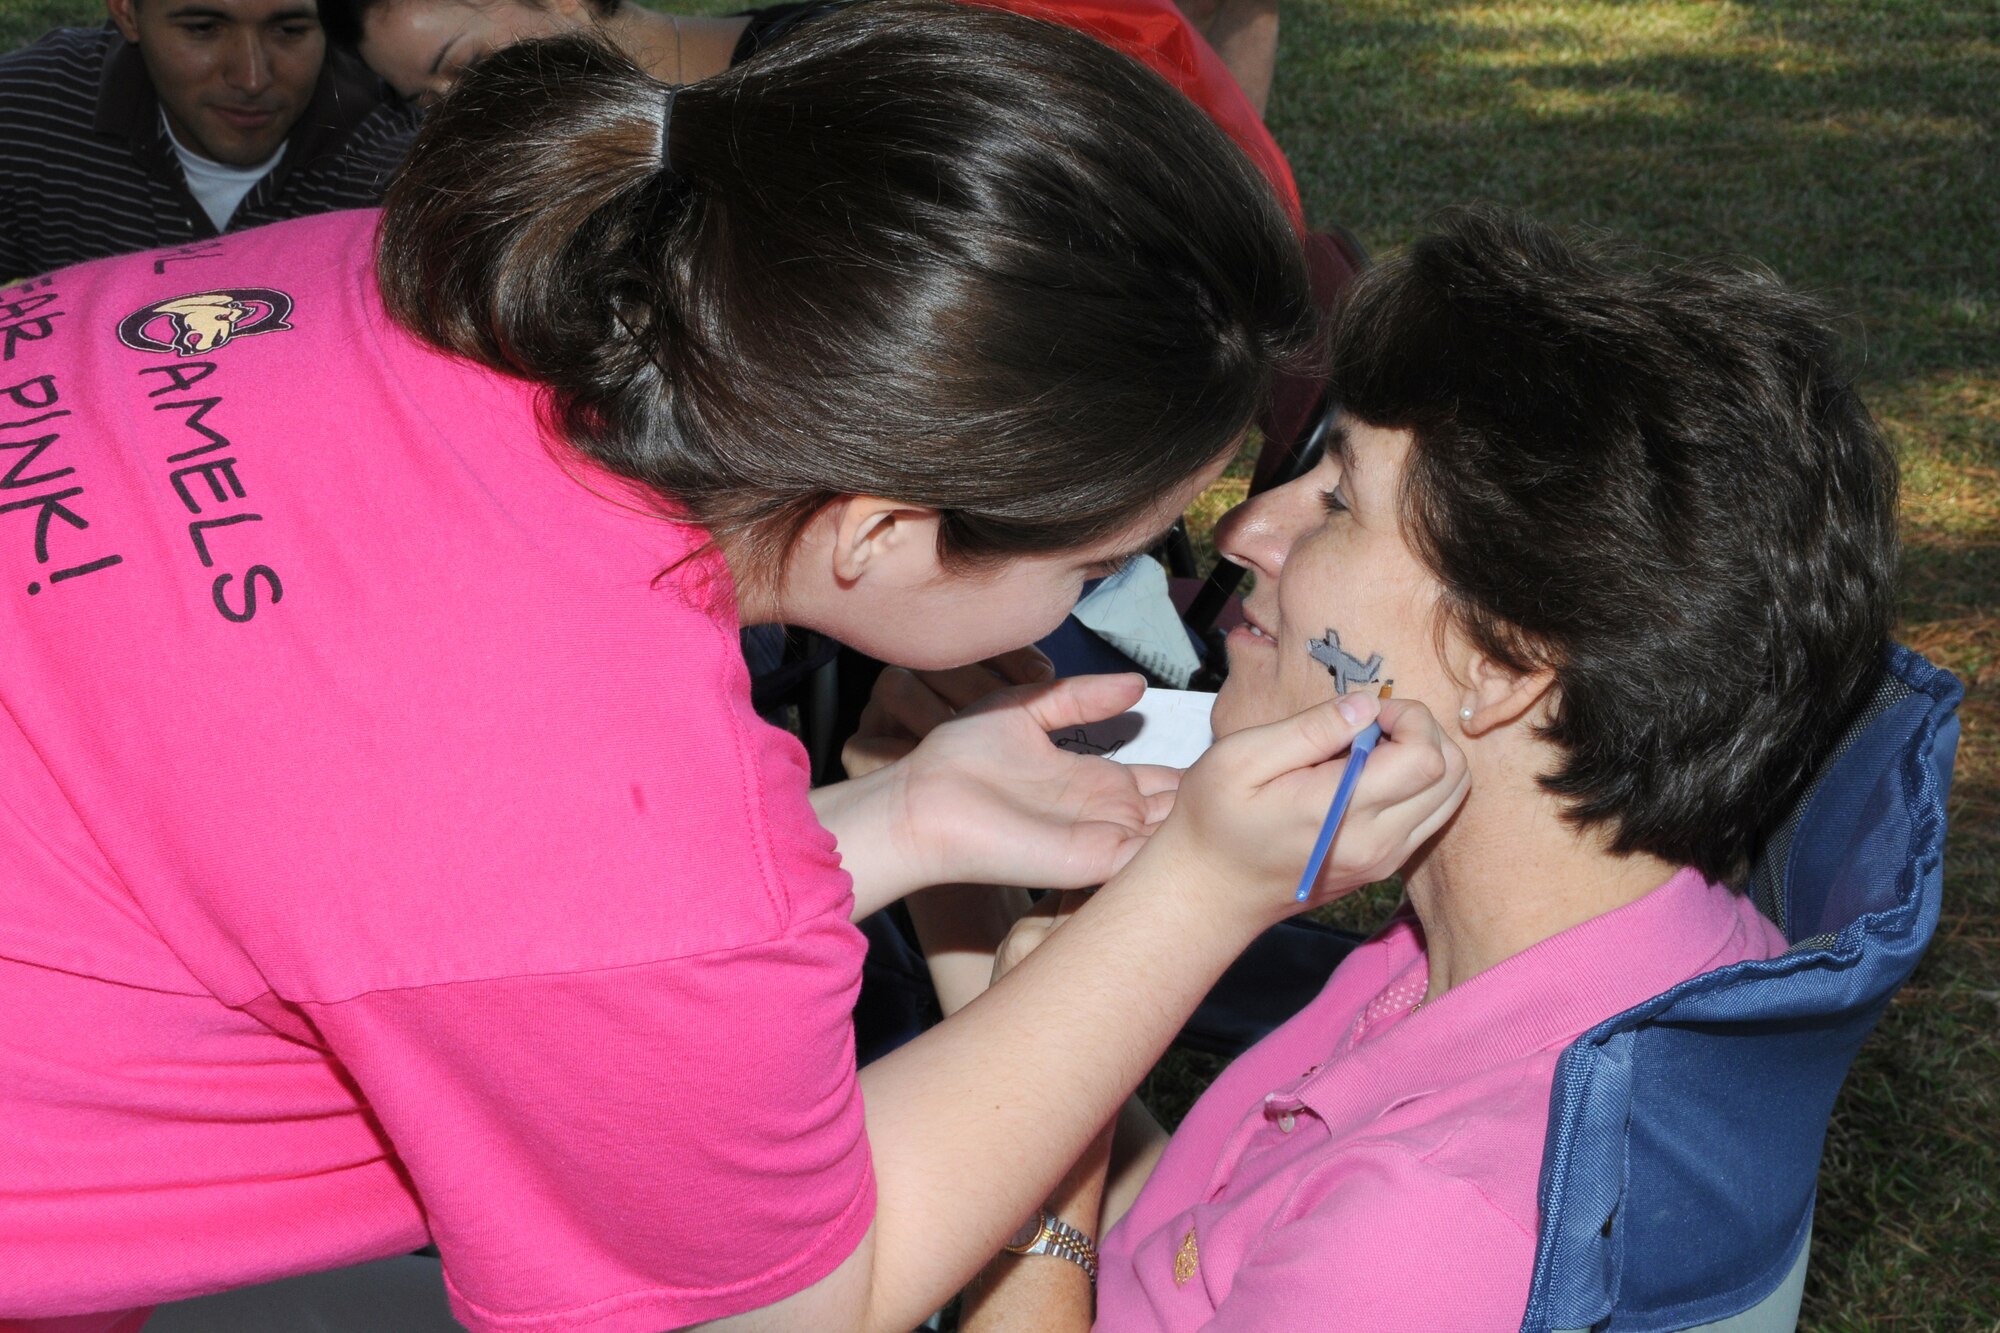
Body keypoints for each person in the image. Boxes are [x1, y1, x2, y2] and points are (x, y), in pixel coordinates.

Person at [0, 7, 1467, 1332]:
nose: (1107, 597)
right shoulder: (610, 811)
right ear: (883, 531)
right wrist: (1194, 895)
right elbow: (813, 1294)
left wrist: (901, 827)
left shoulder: (409, 276)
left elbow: (428, 876)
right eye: (1096, 564)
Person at [936, 208, 1902, 1330]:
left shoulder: (1433, 1227)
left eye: (1336, 502)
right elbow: (1197, 1247)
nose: (1246, 529)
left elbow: (1191, 1248)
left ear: (1500, 664)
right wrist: (988, 921)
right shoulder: (1569, 959)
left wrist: (1040, 1170)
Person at [321, 0, 1301, 219]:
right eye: (426, 96)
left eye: (458, 63)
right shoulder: (719, 98)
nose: (460, 107)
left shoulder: (849, 82)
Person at [0, 0, 418, 281]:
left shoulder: (401, 163)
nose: (252, 78)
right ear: (127, 13)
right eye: (204, 28)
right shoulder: (27, 114)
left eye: (289, 30)